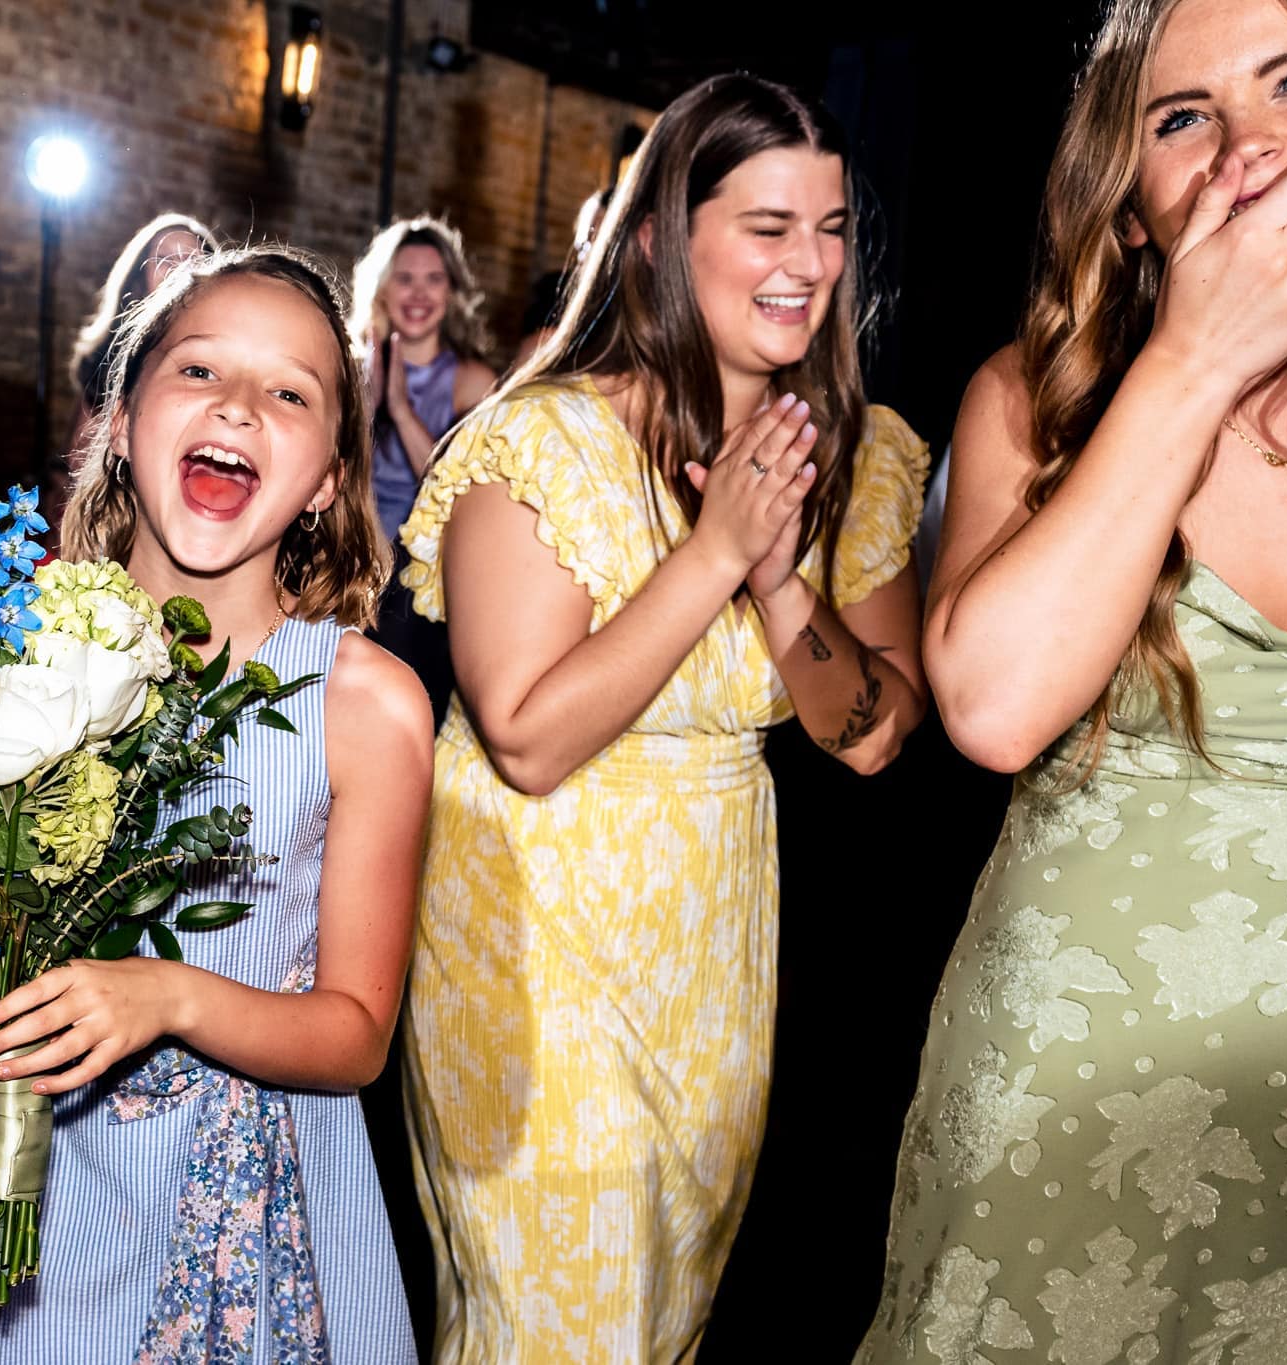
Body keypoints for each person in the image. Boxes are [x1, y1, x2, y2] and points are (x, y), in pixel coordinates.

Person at [859, 0, 1287, 1360]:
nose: (1248, 147)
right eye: (1181, 118)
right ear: (1133, 207)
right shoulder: (1034, 405)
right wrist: (1200, 356)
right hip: (1065, 1112)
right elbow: (990, 707)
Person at [400, 74, 931, 1359]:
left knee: (661, 1317)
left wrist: (773, 571)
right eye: (766, 227)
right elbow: (524, 737)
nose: (807, 264)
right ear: (656, 241)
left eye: (830, 227)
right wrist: (712, 554)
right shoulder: (541, 446)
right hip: (531, 938)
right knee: (559, 1324)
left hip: (713, 938)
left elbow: (869, 731)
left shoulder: (856, 455)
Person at [0, 246, 431, 1363]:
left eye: (288, 392)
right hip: (32, 1171)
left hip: (236, 1192)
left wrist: (165, 996)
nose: (237, 405)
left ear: (326, 475)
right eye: (199, 372)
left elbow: (358, 1035)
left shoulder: (361, 701)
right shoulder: (15, 648)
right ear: (123, 421)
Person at [348, 218, 498, 717]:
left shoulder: (474, 381)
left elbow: (458, 490)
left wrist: (401, 408)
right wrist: (369, 401)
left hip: (425, 582)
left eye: (433, 279)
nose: (418, 293)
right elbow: (336, 474)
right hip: (353, 556)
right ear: (382, 287)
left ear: (452, 290)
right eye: (405, 278)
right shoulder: (349, 368)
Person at [43, 213, 220, 539]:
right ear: (140, 280)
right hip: (118, 517)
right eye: (166, 260)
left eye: (193, 259)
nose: (181, 268)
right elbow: (80, 452)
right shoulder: (113, 357)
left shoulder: (226, 356)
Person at [508, 190, 607, 374]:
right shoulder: (553, 289)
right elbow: (529, 354)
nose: (590, 242)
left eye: (601, 233)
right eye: (588, 231)